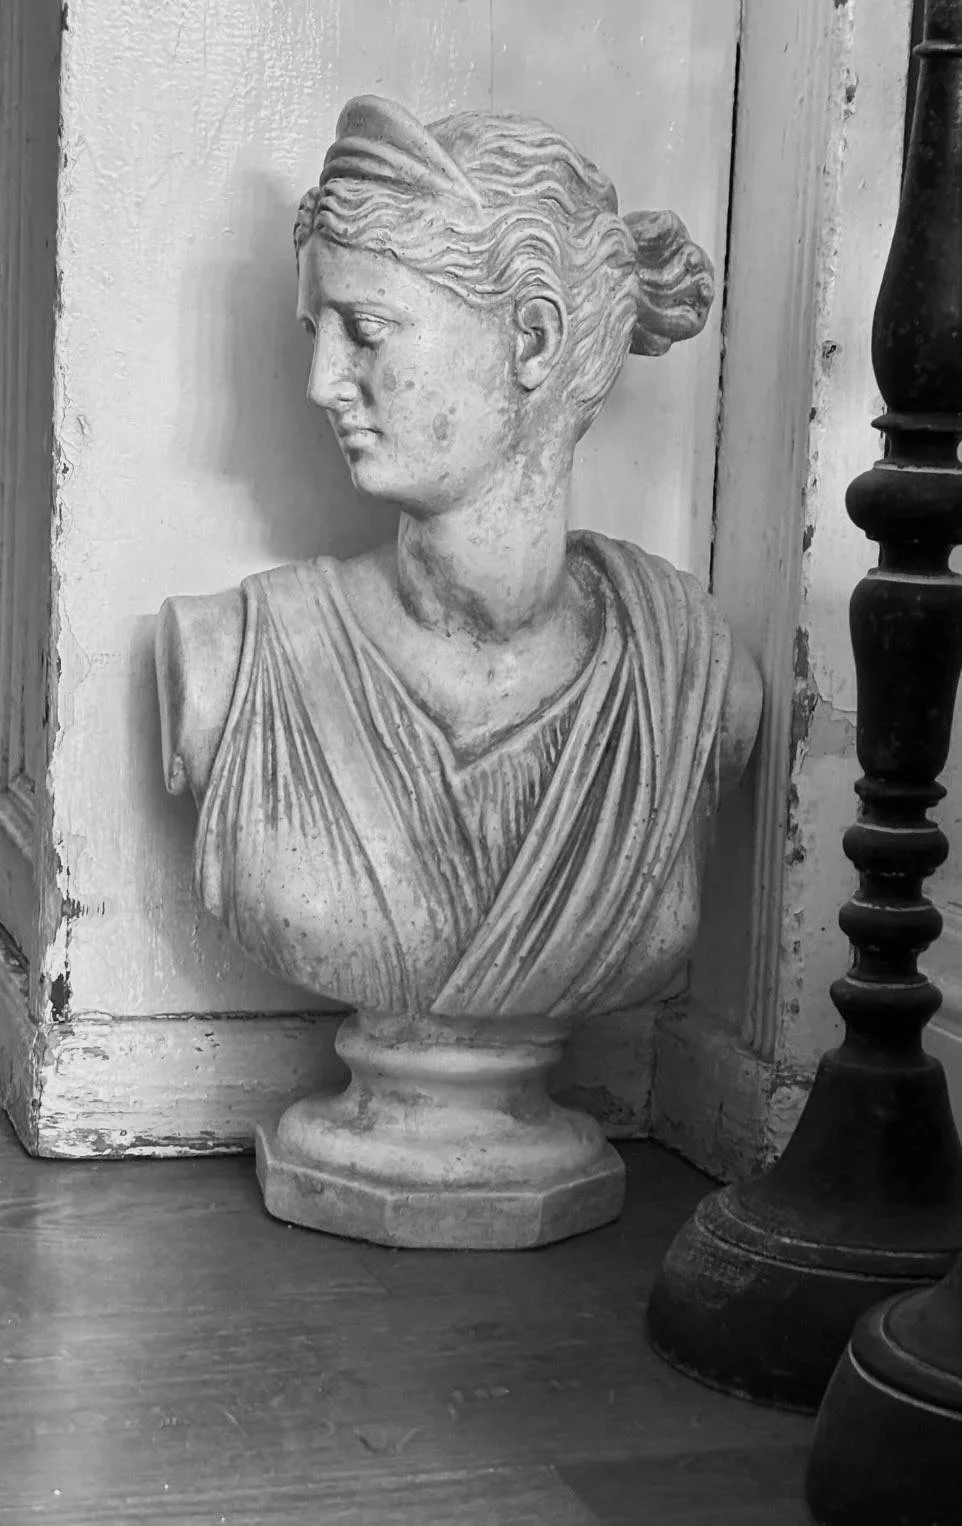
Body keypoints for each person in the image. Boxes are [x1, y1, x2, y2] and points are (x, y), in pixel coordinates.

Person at [156, 95, 761, 1021]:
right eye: (317, 334)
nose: (321, 384)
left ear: (533, 339)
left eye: (366, 329)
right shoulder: (230, 659)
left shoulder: (690, 685)